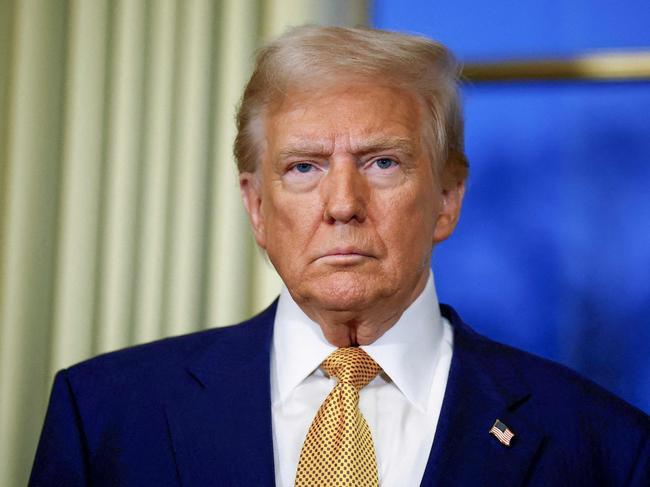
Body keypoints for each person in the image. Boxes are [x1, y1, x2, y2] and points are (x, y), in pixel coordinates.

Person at [30, 26, 648, 486]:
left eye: (383, 162)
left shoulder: (604, 448)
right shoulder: (105, 417)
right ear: (256, 206)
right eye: (304, 167)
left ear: (448, 198)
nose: (343, 204)